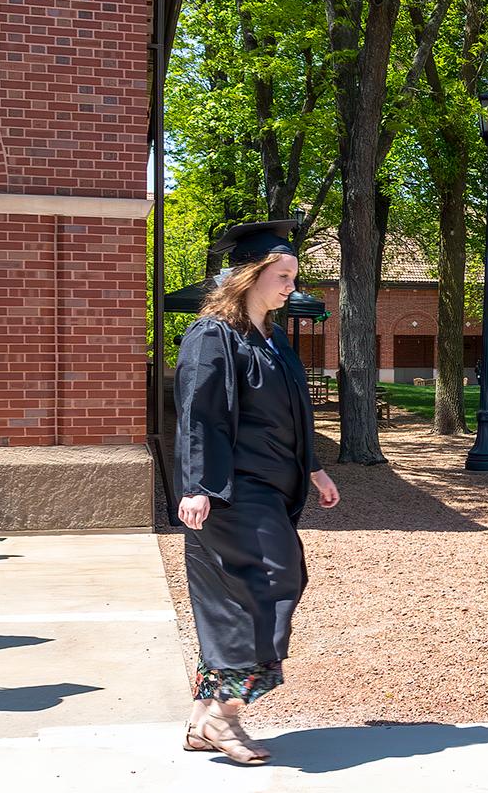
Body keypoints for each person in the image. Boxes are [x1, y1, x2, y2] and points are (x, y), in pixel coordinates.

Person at [176, 219, 341, 766]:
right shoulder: (211, 335)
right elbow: (200, 418)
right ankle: (227, 715)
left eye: (294, 274)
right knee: (273, 580)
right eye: (282, 274)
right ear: (250, 275)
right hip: (230, 491)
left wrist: (314, 470)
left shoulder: (272, 337)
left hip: (270, 487)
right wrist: (198, 487)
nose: (291, 284)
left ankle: (204, 721)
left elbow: (292, 414)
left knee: (240, 593)